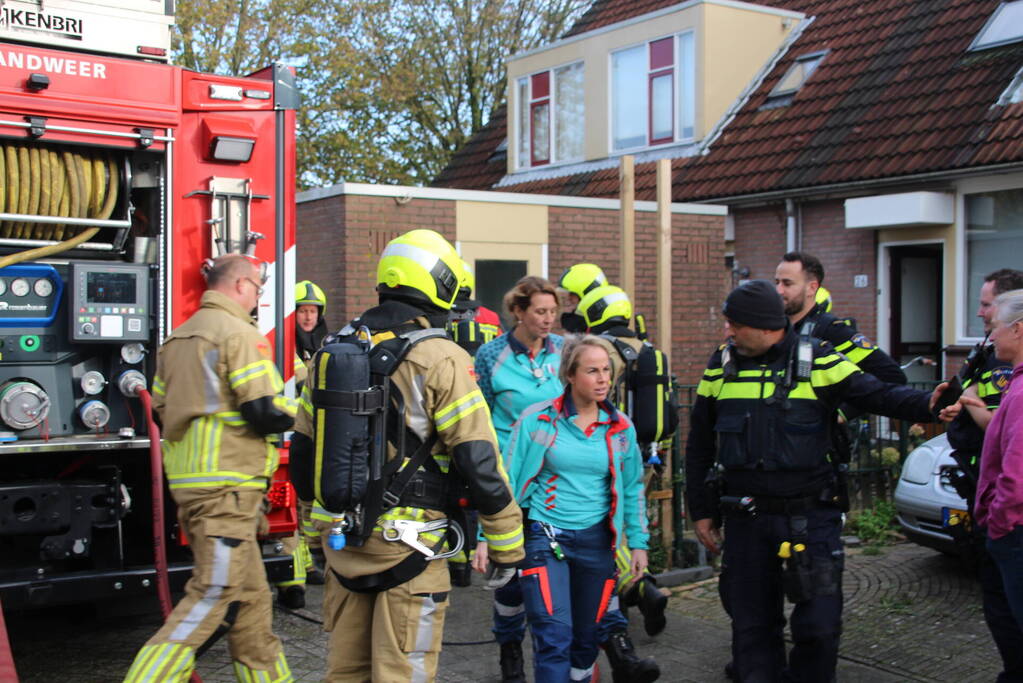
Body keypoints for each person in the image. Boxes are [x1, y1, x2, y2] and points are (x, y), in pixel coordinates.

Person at [686, 279, 951, 683]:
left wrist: (931, 404)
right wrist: (701, 512)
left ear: (762, 325)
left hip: (810, 518)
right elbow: (700, 443)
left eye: (733, 323)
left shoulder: (820, 360)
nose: (727, 331)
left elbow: (879, 394)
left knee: (819, 627)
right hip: (745, 521)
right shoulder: (720, 365)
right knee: (751, 628)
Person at [291, 229, 524, 682]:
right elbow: (478, 457)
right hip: (410, 549)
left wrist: (313, 530)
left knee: (345, 674)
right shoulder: (442, 357)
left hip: (342, 541)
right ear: (438, 284)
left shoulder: (329, 352)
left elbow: (304, 450)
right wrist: (506, 544)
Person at [123, 254, 296, 683]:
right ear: (240, 285)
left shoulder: (176, 339)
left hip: (195, 488)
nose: (258, 298)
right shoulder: (240, 333)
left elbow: (162, 410)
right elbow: (264, 410)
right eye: (257, 288)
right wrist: (310, 410)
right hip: (228, 489)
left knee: (253, 602)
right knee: (214, 594)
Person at [505, 335, 649, 683]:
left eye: (607, 371)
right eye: (592, 371)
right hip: (545, 538)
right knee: (553, 636)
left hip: (598, 543)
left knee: (586, 639)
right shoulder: (537, 420)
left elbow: (632, 489)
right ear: (570, 374)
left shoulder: (621, 428)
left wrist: (640, 542)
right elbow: (507, 483)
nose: (603, 379)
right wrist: (487, 537)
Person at [472, 275, 564, 683]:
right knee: (509, 569)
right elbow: (484, 419)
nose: (548, 320)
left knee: (552, 568)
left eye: (553, 312)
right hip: (510, 478)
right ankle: (510, 649)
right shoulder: (490, 356)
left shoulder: (565, 350)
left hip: (557, 475)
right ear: (518, 311)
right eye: (540, 312)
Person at [575, 284, 668, 680]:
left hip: (606, 452)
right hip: (645, 452)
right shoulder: (647, 350)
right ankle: (638, 591)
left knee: (604, 532)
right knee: (625, 526)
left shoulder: (604, 350)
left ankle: (637, 590)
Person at [943, 269, 1023, 681]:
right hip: (986, 501)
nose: (981, 317)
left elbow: (1016, 460)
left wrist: (999, 522)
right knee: (1000, 607)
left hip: (1008, 519)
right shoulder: (988, 362)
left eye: (989, 308)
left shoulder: (1019, 384)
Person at [275, 280, 331, 609]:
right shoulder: (285, 344)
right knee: (293, 504)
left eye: (312, 311)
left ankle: (311, 560)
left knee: (310, 499)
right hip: (293, 430)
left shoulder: (324, 341)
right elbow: (300, 378)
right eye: (302, 311)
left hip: (317, 430)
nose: (308, 317)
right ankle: (299, 571)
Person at [775, 251, 906, 385]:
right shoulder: (773, 329)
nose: (778, 290)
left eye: (787, 283)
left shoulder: (832, 330)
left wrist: (840, 404)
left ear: (811, 288)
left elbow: (892, 376)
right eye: (777, 282)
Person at [977, 289, 1023, 629]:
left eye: (997, 327)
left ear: (1018, 330)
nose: (991, 336)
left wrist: (999, 522)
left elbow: (1017, 472)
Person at [558, 263, 608, 333]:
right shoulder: (574, 323)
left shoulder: (601, 328)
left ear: (587, 294)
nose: (569, 298)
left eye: (572, 294)